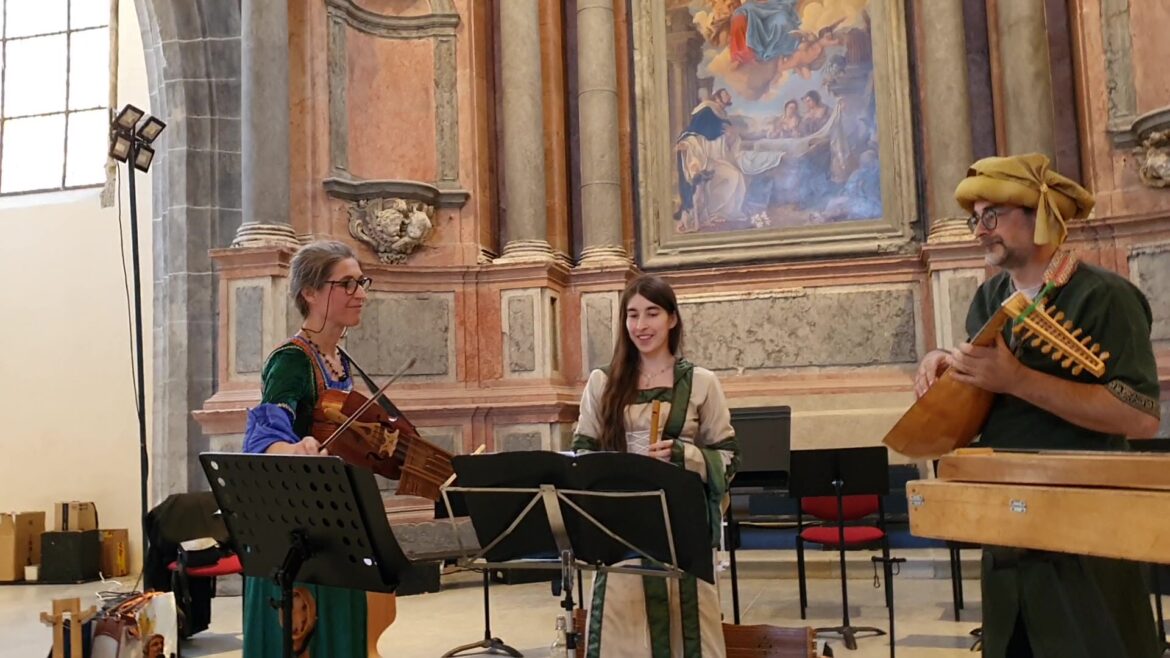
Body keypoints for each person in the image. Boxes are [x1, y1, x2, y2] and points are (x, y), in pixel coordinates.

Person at [914, 154, 1162, 658]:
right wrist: (946, 364)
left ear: (1040, 213)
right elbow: (983, 396)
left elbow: (1140, 417)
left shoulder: (1106, 297)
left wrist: (1019, 379)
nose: (980, 231)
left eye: (992, 216)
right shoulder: (988, 300)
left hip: (1085, 527)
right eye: (975, 218)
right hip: (1008, 525)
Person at [572, 274, 740, 658]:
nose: (641, 325)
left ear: (672, 319)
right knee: (623, 627)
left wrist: (685, 456)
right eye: (632, 315)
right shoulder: (602, 382)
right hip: (620, 525)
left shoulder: (702, 382)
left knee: (689, 625)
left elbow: (728, 458)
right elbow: (581, 455)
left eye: (651, 313)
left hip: (681, 526)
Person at [240, 240, 395, 658]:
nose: (360, 293)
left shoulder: (338, 360)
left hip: (335, 521)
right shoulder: (291, 360)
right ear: (310, 292)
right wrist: (296, 448)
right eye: (346, 284)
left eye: (361, 282)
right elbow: (262, 441)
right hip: (299, 530)